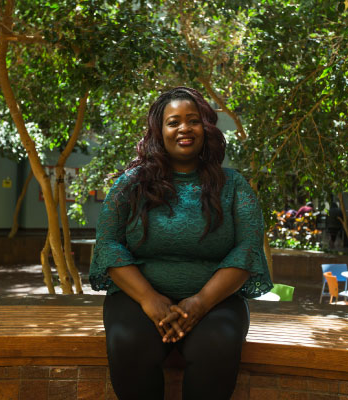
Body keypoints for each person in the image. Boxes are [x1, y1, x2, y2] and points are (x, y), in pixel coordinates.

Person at [89, 86, 273, 400]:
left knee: (218, 343)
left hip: (216, 301)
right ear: (159, 132)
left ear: (206, 128)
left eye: (193, 120)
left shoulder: (234, 185)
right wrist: (149, 298)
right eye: (174, 122)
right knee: (128, 342)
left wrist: (200, 302)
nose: (184, 128)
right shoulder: (130, 185)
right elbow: (108, 244)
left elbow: (248, 249)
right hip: (136, 299)